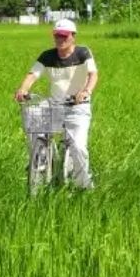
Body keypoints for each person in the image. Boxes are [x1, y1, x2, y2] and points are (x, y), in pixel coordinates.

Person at [13, 19, 98, 190]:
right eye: (57, 36)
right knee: (33, 119)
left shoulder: (83, 53)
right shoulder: (47, 56)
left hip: (77, 107)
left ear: (73, 36)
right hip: (54, 105)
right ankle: (41, 158)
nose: (60, 39)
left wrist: (86, 91)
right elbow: (32, 74)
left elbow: (93, 74)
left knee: (79, 147)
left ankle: (84, 187)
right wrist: (23, 89)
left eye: (64, 36)